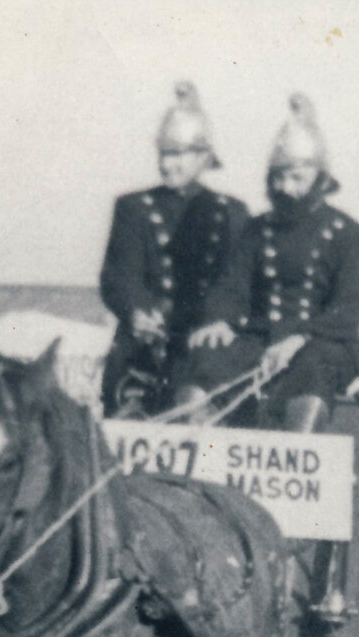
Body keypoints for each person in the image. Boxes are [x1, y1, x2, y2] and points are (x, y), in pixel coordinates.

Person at [177, 93, 359, 433]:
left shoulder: (350, 234)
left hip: (325, 341)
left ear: (320, 178)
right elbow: (232, 285)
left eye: (297, 178)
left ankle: (298, 456)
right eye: (279, 177)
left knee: (312, 367)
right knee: (205, 358)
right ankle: (196, 453)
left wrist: (302, 336)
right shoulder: (256, 229)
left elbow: (356, 302)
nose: (285, 187)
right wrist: (220, 319)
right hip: (261, 339)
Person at [98, 82, 249, 418]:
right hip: (144, 342)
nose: (166, 164)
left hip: (202, 344)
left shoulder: (232, 213)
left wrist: (222, 320)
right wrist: (136, 311)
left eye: (177, 155)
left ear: (204, 158)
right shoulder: (133, 208)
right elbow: (119, 275)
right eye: (163, 154)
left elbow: (237, 284)